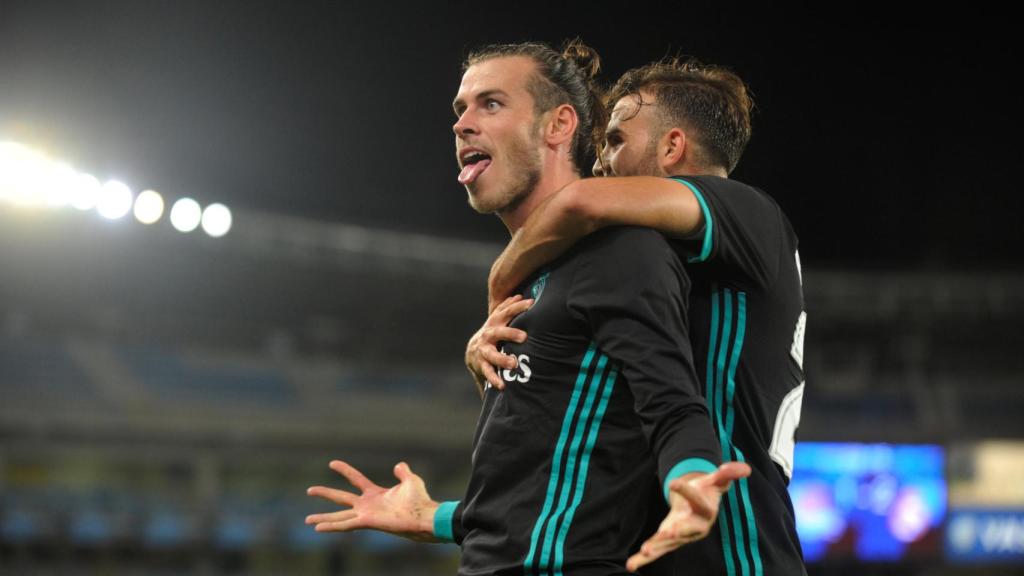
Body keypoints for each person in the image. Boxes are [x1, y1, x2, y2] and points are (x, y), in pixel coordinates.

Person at [307, 42, 749, 575]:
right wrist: (433, 517)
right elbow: (540, 487)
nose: (462, 124)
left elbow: (673, 403)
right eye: (460, 109)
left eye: (490, 104)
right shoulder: (532, 279)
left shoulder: (621, 252)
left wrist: (692, 481)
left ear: (559, 125)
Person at [467, 57, 807, 575]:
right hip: (669, 537)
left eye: (616, 141)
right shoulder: (650, 263)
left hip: (738, 547)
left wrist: (499, 283)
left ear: (672, 147)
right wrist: (445, 517)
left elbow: (579, 201)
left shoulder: (749, 213)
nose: (601, 161)